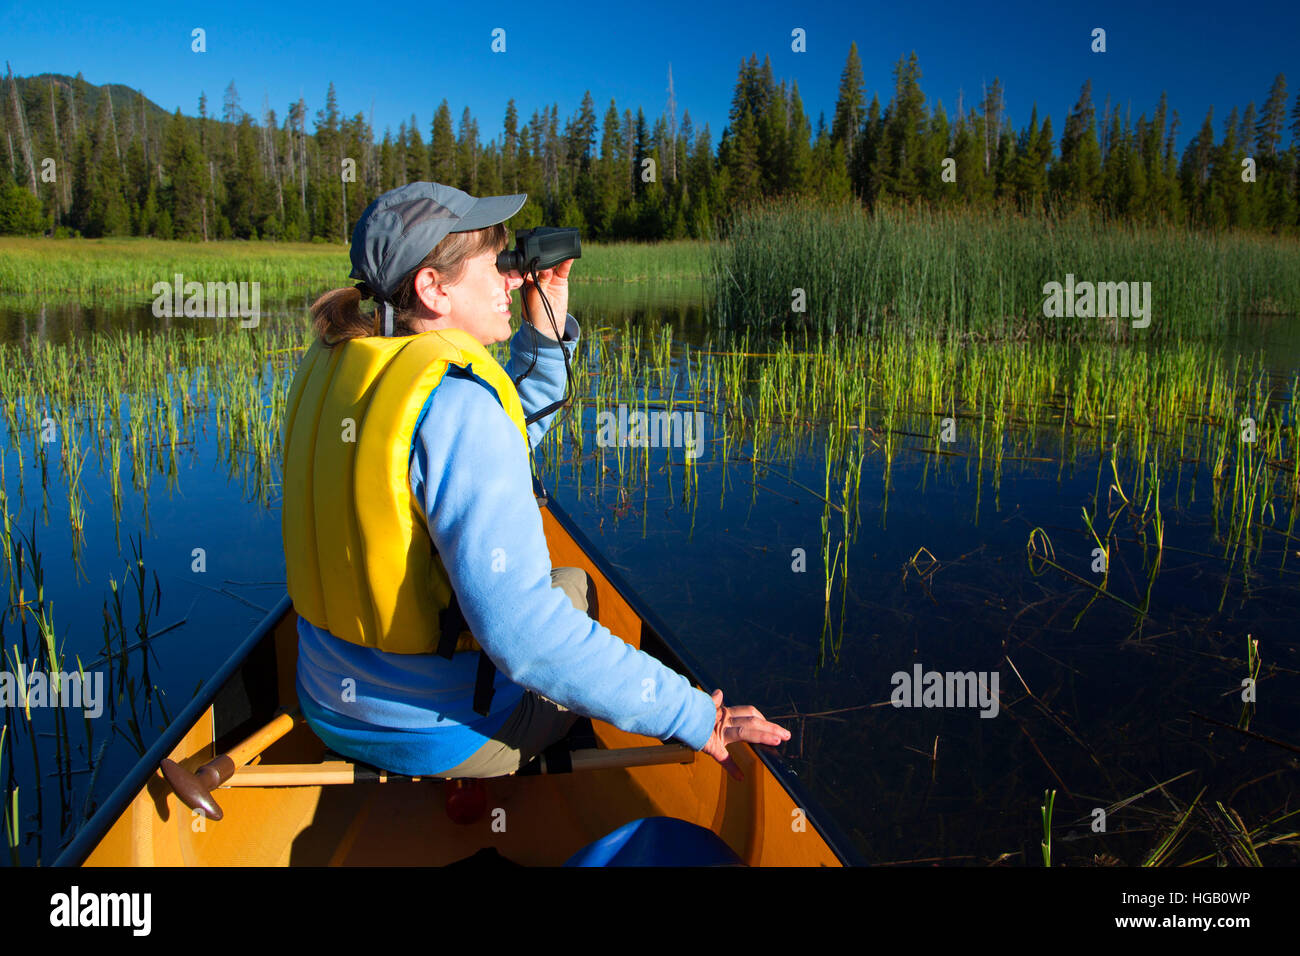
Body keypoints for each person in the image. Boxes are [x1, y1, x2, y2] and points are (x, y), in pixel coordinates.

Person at [281, 181, 789, 782]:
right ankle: (506, 787)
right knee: (575, 591)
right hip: (433, 737)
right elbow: (524, 639)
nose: (515, 278)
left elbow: (477, 440)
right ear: (433, 287)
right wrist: (697, 716)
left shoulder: (344, 364)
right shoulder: (457, 405)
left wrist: (544, 329)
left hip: (325, 703)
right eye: (496, 264)